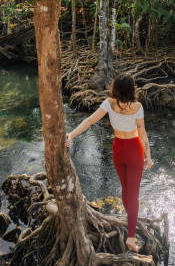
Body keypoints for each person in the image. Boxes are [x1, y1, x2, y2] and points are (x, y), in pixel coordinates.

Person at [65, 75, 153, 253]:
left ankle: (130, 221)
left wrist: (71, 135)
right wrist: (149, 156)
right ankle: (130, 237)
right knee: (133, 193)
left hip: (118, 149)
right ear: (131, 89)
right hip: (134, 150)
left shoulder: (109, 103)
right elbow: (142, 133)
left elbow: (89, 120)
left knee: (125, 189)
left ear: (115, 88)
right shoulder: (137, 107)